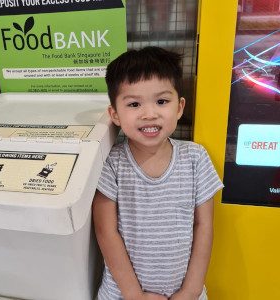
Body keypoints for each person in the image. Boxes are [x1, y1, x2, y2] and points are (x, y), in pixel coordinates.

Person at [92, 46, 223, 300]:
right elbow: (105, 231)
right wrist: (135, 295)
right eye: (134, 104)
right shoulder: (111, 162)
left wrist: (191, 291)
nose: (149, 114)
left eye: (162, 101)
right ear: (115, 114)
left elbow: (204, 224)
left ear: (179, 107)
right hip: (123, 294)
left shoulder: (195, 158)